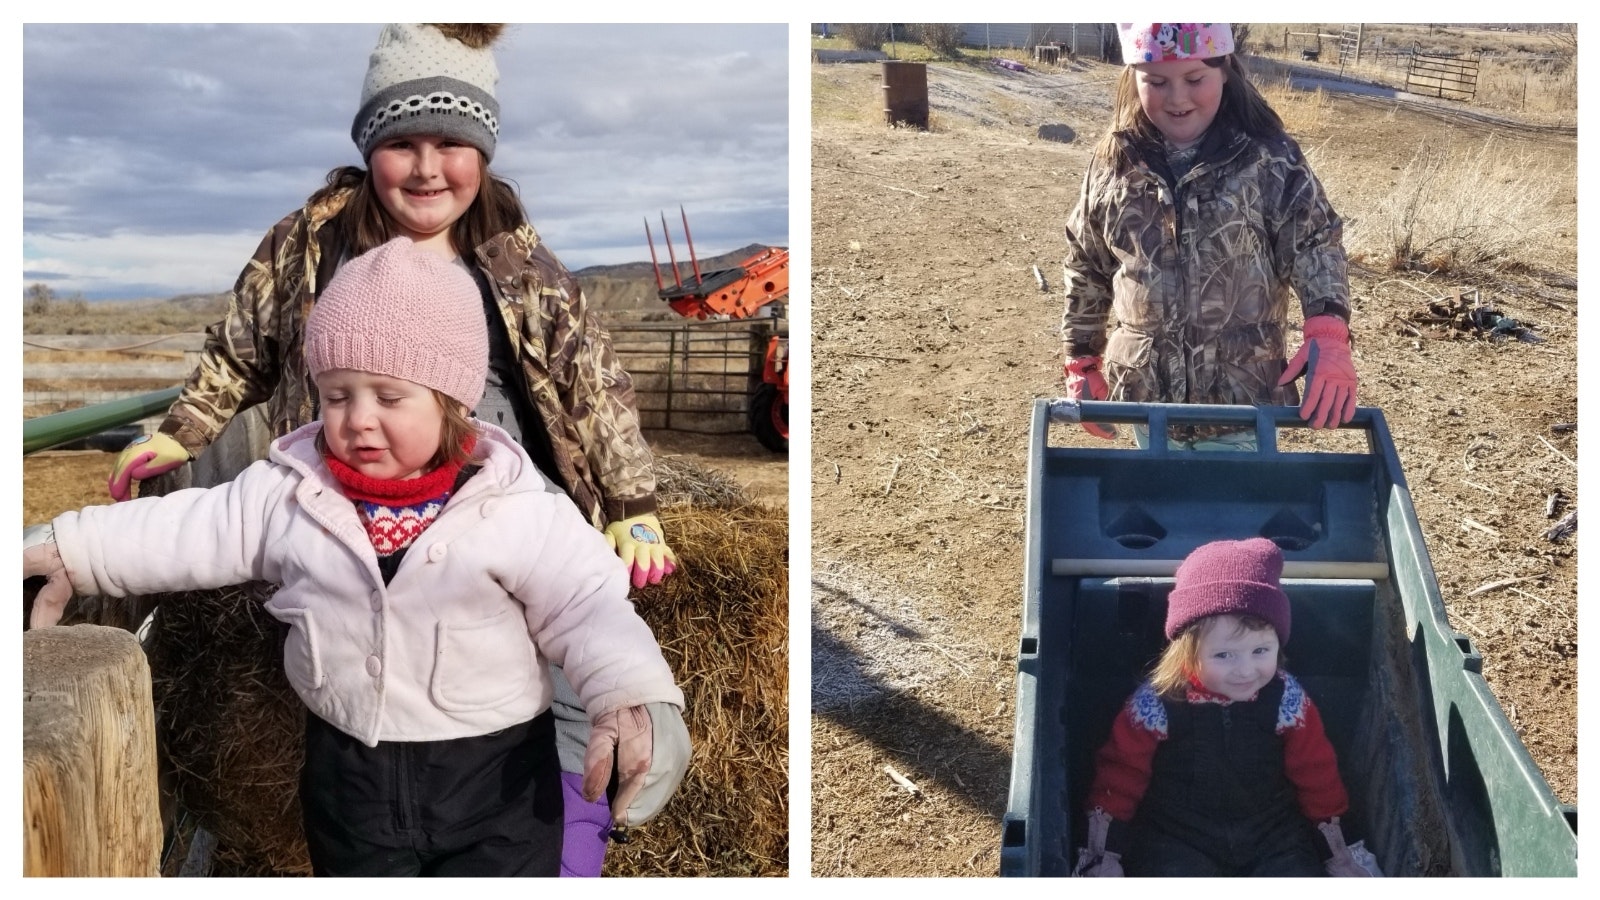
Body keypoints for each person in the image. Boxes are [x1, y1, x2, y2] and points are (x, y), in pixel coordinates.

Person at [101, 24, 674, 874]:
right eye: (402, 143)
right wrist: (181, 429)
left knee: (549, 643)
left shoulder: (517, 258)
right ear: (370, 146)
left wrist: (630, 507)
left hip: (497, 488)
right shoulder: (311, 245)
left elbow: (588, 377)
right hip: (357, 492)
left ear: (484, 151)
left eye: (453, 143)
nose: (427, 167)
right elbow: (241, 348)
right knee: (373, 641)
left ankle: (573, 830)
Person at [26, 238, 690, 877]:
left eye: (389, 396)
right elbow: (191, 529)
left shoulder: (517, 506)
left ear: (452, 400)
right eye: (337, 395)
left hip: (500, 783)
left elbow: (589, 608)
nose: (358, 419)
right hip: (349, 780)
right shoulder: (290, 493)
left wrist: (632, 697)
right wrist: (72, 547)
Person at [1060, 23, 1359, 450]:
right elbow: (1087, 263)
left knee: (1237, 514)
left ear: (1225, 71)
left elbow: (1314, 242)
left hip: (1243, 408)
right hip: (1149, 404)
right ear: (1132, 78)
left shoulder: (1268, 157)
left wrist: (1328, 331)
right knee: (1158, 511)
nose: (1177, 97)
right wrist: (1082, 357)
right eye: (1156, 81)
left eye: (1195, 79)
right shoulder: (1113, 164)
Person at [1072, 538, 1379, 877]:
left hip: (1273, 832)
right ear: (1185, 652)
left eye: (1260, 651)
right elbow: (1119, 777)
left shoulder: (1287, 701)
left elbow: (1316, 774)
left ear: (1279, 642)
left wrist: (1339, 849)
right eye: (1224, 655)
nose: (1246, 670)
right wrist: (1103, 853)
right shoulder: (1157, 705)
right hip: (1177, 835)